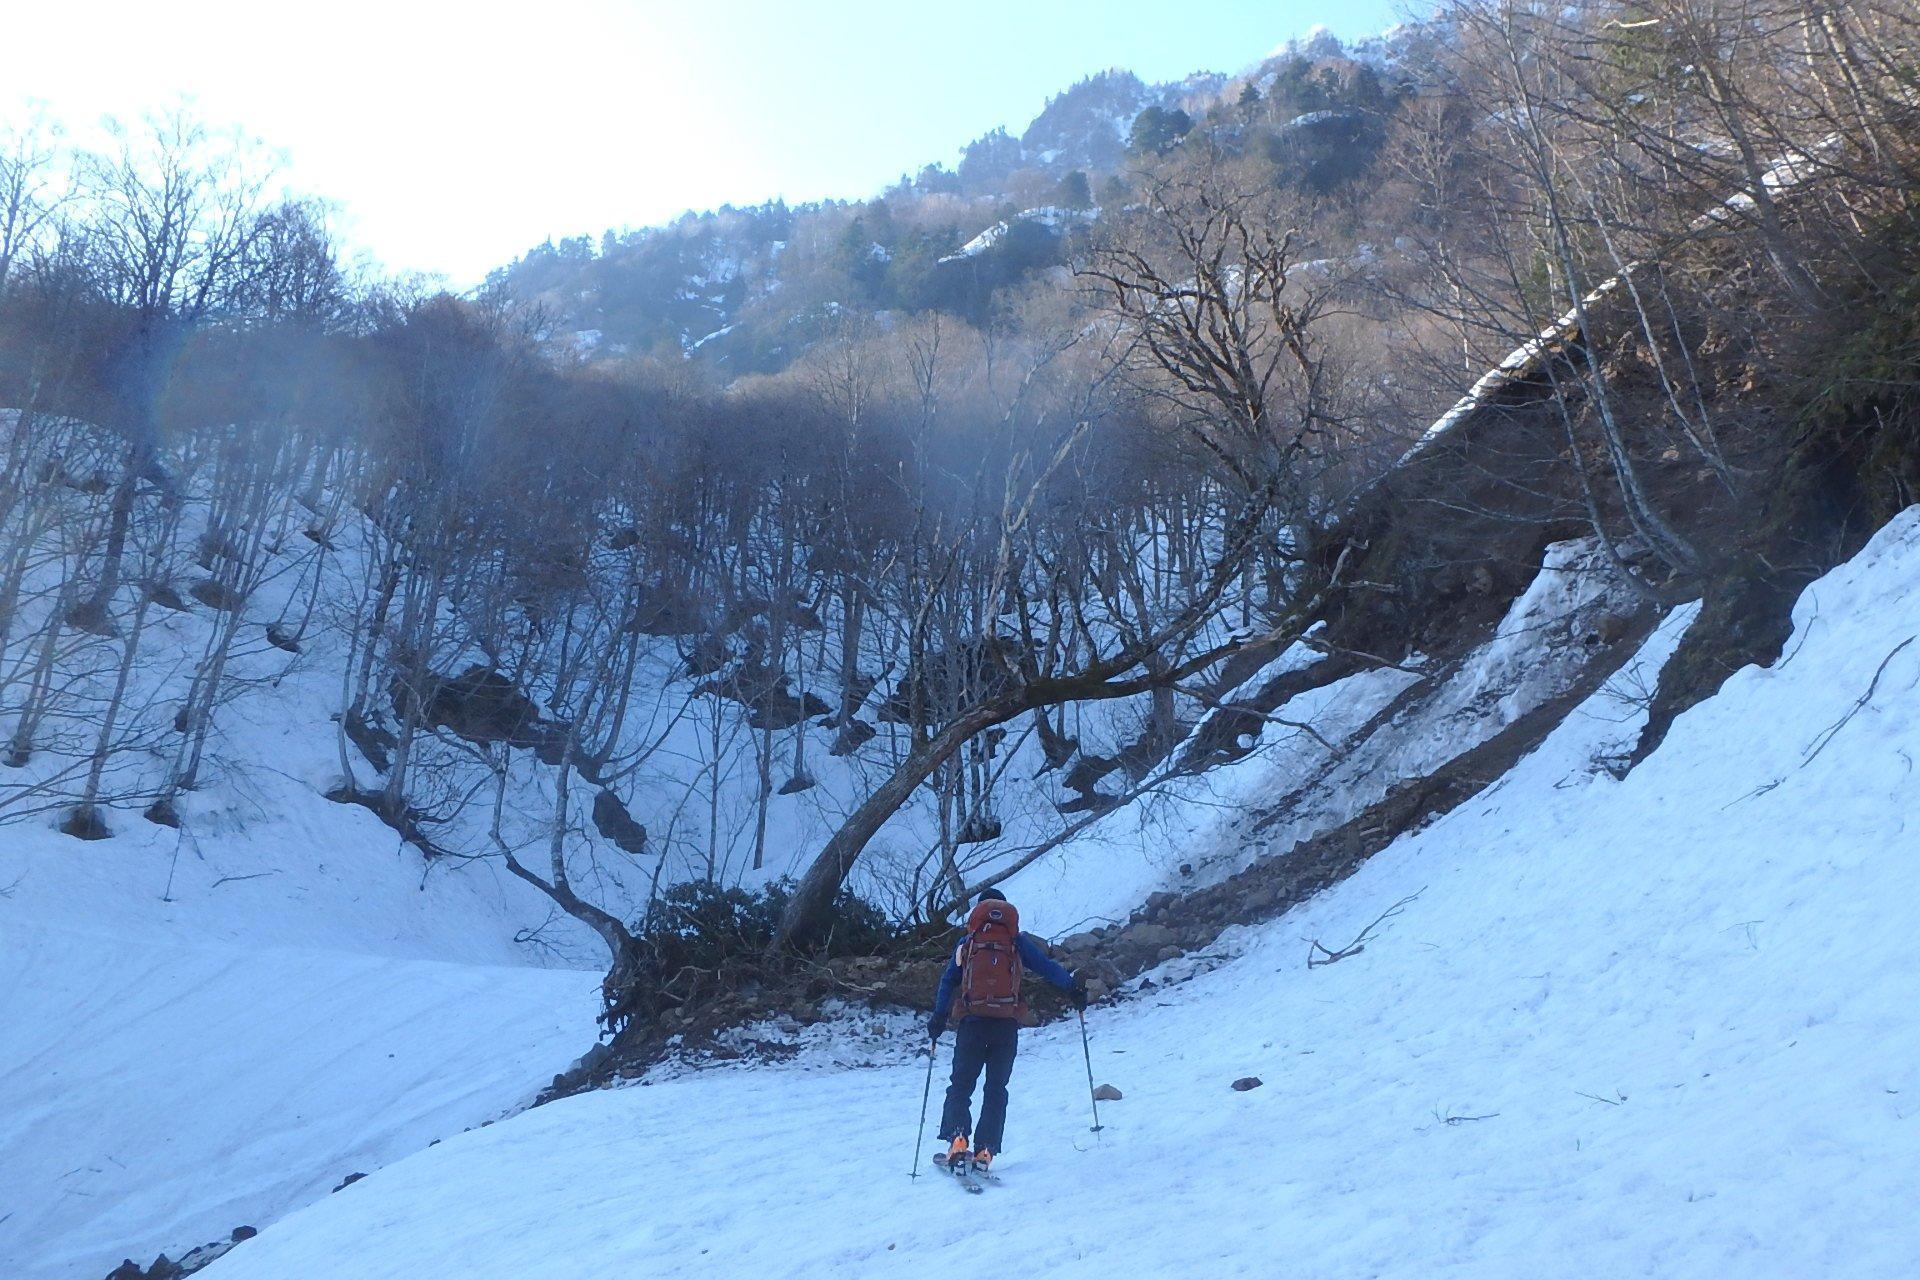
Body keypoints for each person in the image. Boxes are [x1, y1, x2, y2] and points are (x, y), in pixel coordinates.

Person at [928, 888, 1087, 1174]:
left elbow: (947, 981)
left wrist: (938, 1018)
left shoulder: (968, 943)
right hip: (1005, 1026)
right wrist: (1073, 989)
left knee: (961, 1085)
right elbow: (1047, 967)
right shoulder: (1016, 943)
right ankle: (986, 1149)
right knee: (996, 1088)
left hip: (972, 1024)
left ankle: (958, 1139)